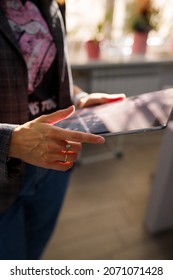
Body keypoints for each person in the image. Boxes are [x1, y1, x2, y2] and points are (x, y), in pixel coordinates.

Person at [0, 0, 125, 260]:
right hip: (3, 175)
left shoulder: (50, 7)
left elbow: (50, 76)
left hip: (53, 166)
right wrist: (10, 141)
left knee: (32, 259)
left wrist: (79, 98)